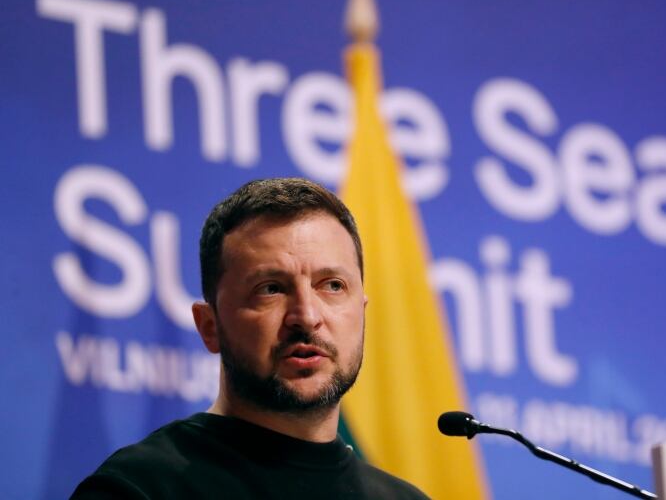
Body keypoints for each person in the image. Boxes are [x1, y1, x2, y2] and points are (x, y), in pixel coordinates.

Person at [71, 178, 429, 499]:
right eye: (271, 289)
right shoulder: (139, 489)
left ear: (362, 311)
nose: (306, 315)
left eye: (332, 285)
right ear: (209, 326)